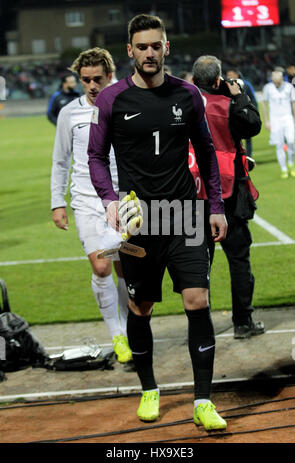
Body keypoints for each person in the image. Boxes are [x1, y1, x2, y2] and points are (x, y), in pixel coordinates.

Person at [88, 14, 228, 431]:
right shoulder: (111, 99)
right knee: (140, 305)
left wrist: (215, 205)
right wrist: (109, 200)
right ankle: (149, 389)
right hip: (138, 223)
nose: (150, 53)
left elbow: (206, 151)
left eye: (156, 45)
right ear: (129, 51)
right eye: (142, 46)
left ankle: (203, 400)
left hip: (185, 215)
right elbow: (95, 157)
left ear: (167, 48)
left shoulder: (187, 95)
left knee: (197, 301)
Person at [50, 48, 132, 364]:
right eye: (86, 80)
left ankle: (128, 330)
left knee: (125, 267)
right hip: (86, 201)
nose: (92, 85)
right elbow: (60, 160)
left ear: (110, 75)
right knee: (101, 266)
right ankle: (117, 335)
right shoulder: (69, 113)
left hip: (122, 200)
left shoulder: (125, 106)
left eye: (97, 79)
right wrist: (58, 203)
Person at [190, 55, 264, 340]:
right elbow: (253, 125)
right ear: (219, 79)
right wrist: (240, 94)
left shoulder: (184, 105)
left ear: (194, 81)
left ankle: (199, 326)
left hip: (194, 190)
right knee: (239, 258)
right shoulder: (230, 103)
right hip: (228, 190)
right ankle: (243, 322)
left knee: (197, 264)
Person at [262, 70, 295, 179]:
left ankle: (291, 162)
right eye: (274, 81)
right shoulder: (268, 88)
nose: (276, 83)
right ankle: (284, 168)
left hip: (287, 117)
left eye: (278, 81)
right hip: (275, 119)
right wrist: (266, 120)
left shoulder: (289, 87)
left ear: (282, 79)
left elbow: (294, 103)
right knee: (279, 144)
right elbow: (264, 104)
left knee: (291, 142)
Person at [226, 68, 258, 158]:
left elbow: (253, 99)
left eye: (231, 74)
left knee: (248, 137)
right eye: (228, 75)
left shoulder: (246, 84)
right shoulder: (226, 85)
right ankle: (236, 156)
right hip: (233, 115)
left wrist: (253, 111)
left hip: (245, 112)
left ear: (237, 75)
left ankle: (248, 156)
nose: (229, 76)